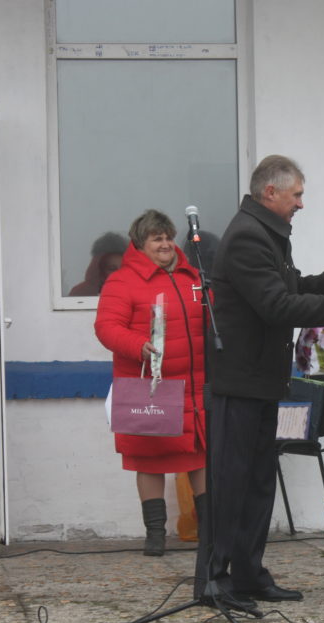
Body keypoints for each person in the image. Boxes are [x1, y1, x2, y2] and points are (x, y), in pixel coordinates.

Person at [205, 154, 324, 609]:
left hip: (262, 380)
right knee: (233, 484)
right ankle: (216, 580)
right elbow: (275, 306)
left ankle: (249, 575)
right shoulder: (247, 236)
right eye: (296, 194)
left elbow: (290, 284)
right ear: (270, 192)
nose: (301, 203)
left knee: (259, 481)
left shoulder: (267, 232)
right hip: (240, 382)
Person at [94, 210, 209, 559]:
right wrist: (137, 345)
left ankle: (210, 532)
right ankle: (155, 535)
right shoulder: (122, 281)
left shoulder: (194, 277)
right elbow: (106, 328)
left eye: (168, 237)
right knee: (148, 460)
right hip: (150, 386)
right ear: (139, 244)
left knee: (200, 457)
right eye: (156, 238)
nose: (165, 244)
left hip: (194, 386)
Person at [69, 232, 128, 296]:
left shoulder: (132, 291)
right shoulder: (81, 293)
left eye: (123, 268)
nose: (119, 273)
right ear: (99, 269)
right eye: (112, 269)